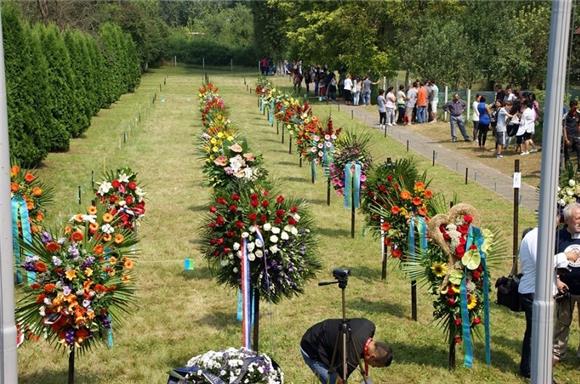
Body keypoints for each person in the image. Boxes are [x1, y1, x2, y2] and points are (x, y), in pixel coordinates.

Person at [518, 216, 580, 379]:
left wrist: (558, 277)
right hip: (534, 292)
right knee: (539, 334)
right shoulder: (536, 237)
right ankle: (537, 372)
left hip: (537, 290)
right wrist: (565, 256)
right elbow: (543, 264)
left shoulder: (541, 236)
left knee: (534, 333)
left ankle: (528, 369)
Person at [301, 318, 393, 384]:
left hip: (320, 330)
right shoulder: (350, 358)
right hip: (311, 346)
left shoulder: (369, 326)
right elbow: (340, 380)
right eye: (375, 366)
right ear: (372, 357)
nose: (372, 366)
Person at [553, 202, 580, 364]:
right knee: (562, 323)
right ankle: (557, 352)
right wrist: (556, 281)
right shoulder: (558, 237)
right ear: (568, 220)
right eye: (577, 219)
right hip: (566, 289)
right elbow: (550, 262)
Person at [563, 100, 580, 166]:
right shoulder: (566, 116)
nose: (575, 109)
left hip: (577, 136)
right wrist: (566, 139)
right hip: (569, 136)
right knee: (567, 152)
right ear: (571, 107)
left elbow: (579, 125)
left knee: (579, 151)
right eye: (574, 107)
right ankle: (567, 167)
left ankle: (579, 166)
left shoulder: (579, 114)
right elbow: (564, 128)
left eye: (576, 107)